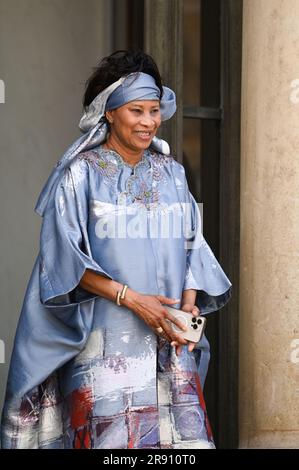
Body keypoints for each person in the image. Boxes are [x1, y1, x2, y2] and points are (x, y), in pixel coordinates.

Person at [1, 50, 232, 449]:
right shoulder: (81, 175)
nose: (148, 122)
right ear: (109, 113)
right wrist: (133, 299)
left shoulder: (173, 174)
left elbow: (193, 247)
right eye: (136, 111)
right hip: (106, 349)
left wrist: (188, 308)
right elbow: (62, 262)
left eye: (154, 111)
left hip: (169, 346)